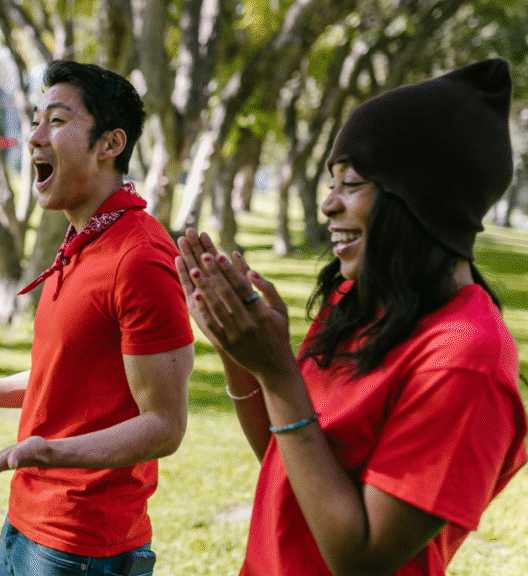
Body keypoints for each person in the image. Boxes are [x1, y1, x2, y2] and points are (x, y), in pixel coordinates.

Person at [176, 58, 527, 576]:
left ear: (417, 198)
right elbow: (287, 462)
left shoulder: (465, 358)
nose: (328, 205)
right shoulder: (362, 304)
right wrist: (240, 353)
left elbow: (360, 558)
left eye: (351, 183)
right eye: (330, 182)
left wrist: (277, 370)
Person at [0, 60, 195, 576]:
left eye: (58, 122)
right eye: (35, 120)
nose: (35, 138)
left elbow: (164, 425)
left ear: (111, 144)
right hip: (29, 521)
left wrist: (42, 450)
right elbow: (60, 380)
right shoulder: (83, 242)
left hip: (85, 546)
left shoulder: (138, 255)